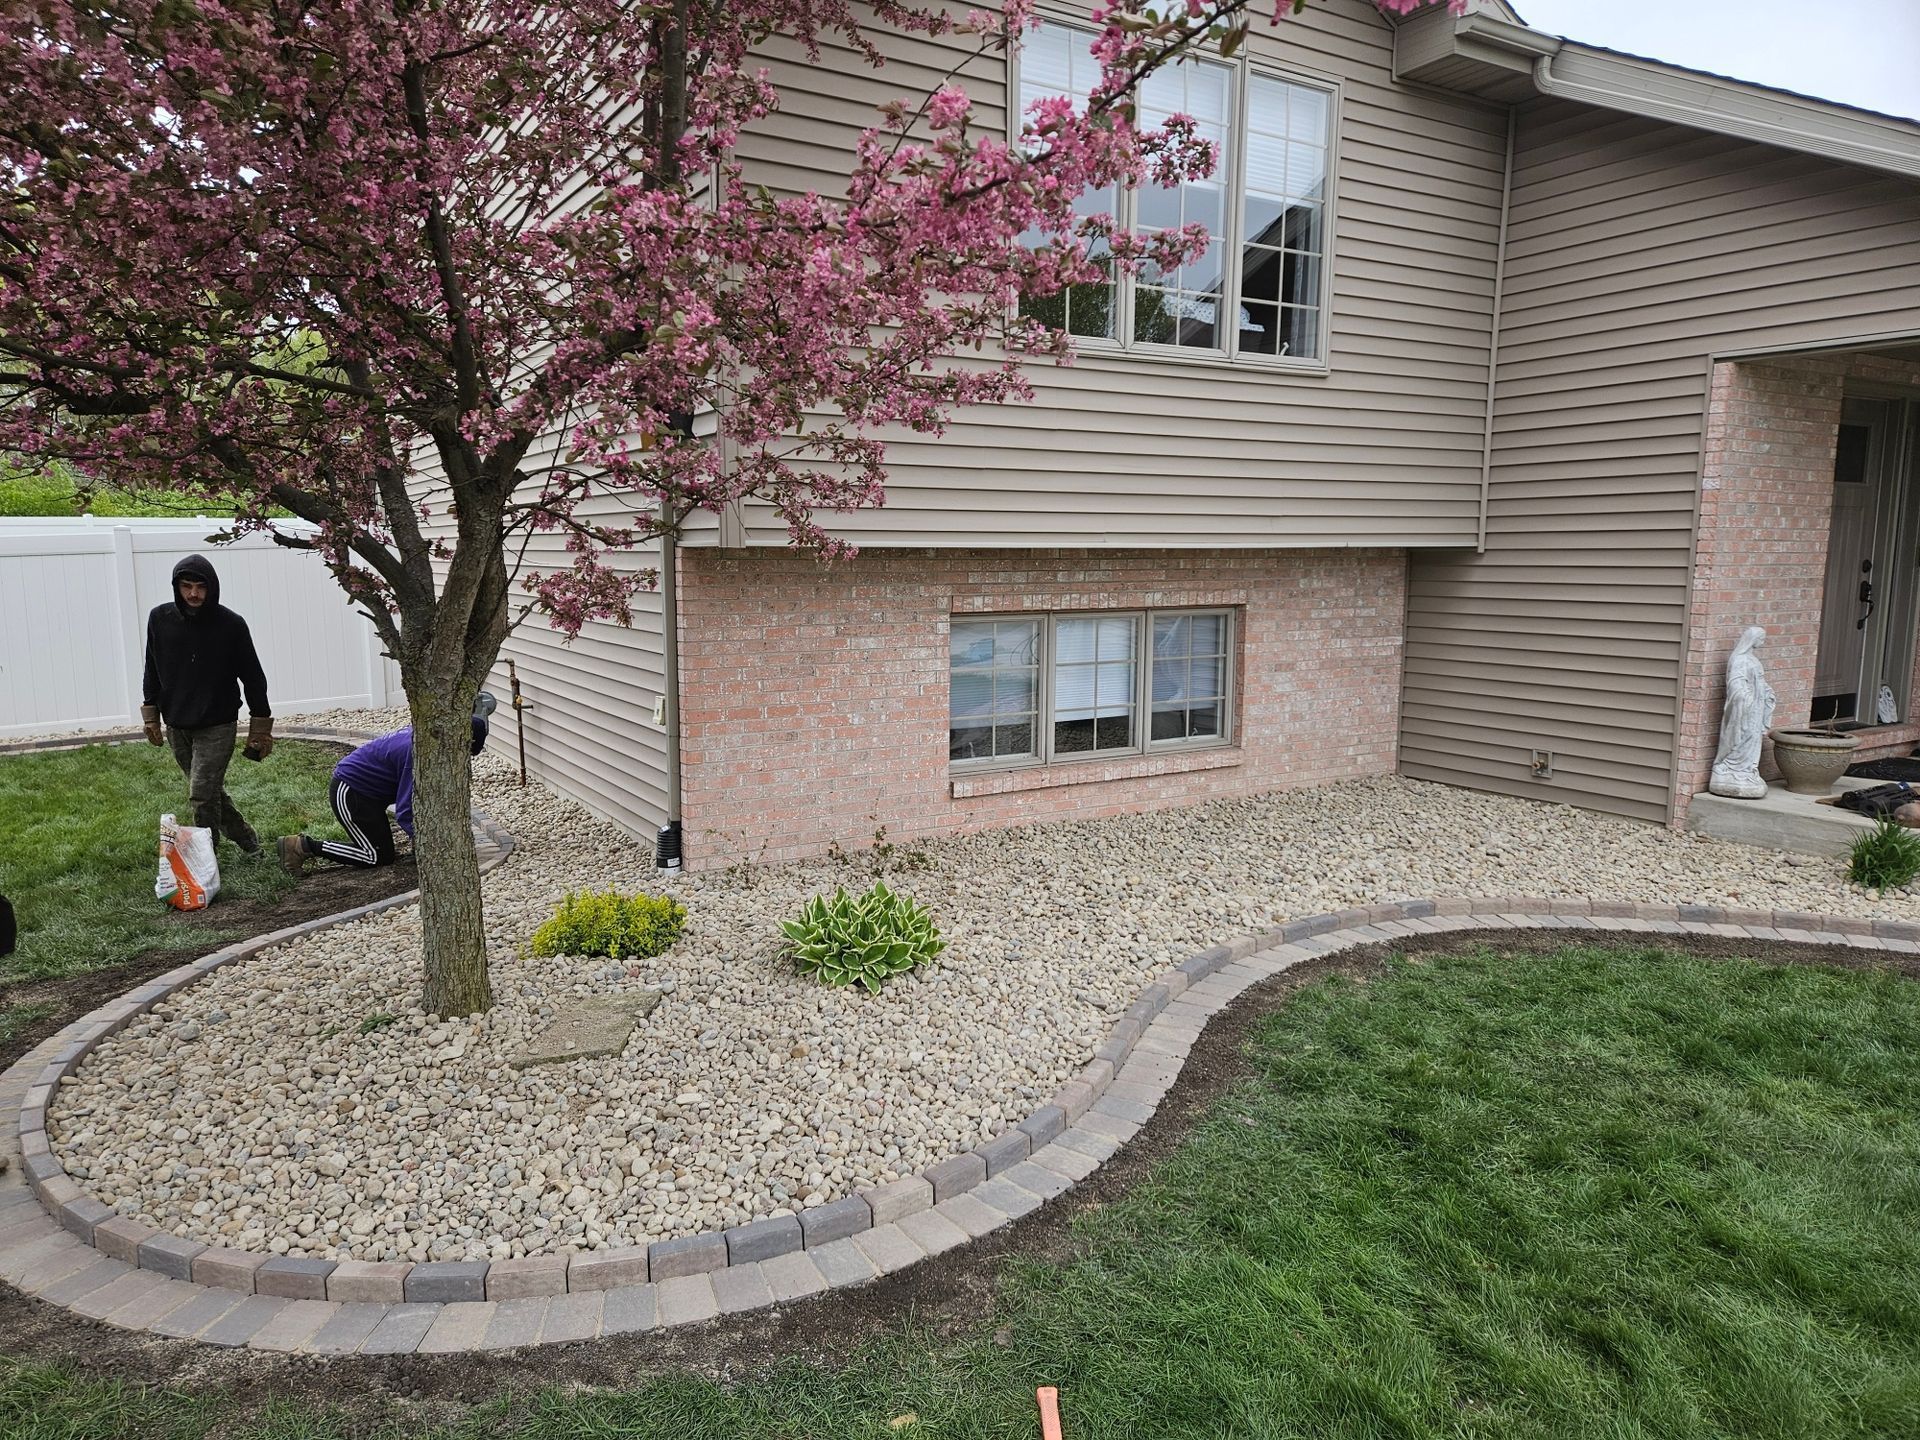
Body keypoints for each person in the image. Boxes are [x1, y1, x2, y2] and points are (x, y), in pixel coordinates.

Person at [141, 554, 274, 854]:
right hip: (176, 724)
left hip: (218, 723)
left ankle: (205, 858)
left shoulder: (231, 625)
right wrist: (151, 714)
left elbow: (253, 676)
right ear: (177, 587)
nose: (193, 594)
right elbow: (151, 665)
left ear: (212, 587)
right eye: (186, 586)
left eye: (200, 587)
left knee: (200, 794)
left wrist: (261, 727)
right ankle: (247, 841)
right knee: (208, 791)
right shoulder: (159, 619)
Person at [278, 695, 494, 872]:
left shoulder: (429, 736)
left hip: (369, 794)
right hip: (350, 790)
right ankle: (302, 846)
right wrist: (428, 846)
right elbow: (407, 808)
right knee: (375, 856)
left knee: (384, 853)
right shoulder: (419, 753)